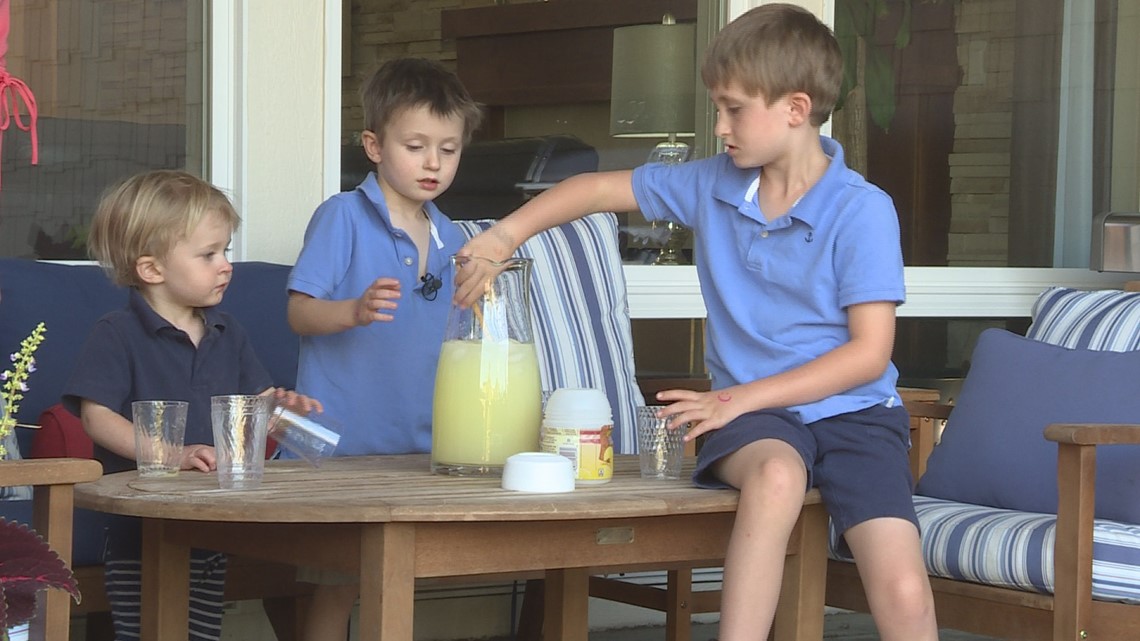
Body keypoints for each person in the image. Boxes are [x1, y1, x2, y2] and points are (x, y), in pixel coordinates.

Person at [454, 5, 939, 640]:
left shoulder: (862, 210)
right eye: (717, 106)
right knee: (776, 476)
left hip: (852, 415)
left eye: (734, 109)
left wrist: (734, 398)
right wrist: (503, 234)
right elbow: (596, 189)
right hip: (754, 422)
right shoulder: (712, 184)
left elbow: (868, 355)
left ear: (796, 109)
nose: (719, 126)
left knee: (900, 578)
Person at [62, 169, 321, 641]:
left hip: (212, 520)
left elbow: (256, 409)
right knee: (146, 630)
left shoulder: (228, 332)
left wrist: (284, 412)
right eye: (209, 254)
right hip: (141, 528)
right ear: (152, 269)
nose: (226, 264)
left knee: (200, 631)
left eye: (226, 251)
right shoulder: (117, 333)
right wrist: (170, 454)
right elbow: (96, 417)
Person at [285, 57, 482, 641]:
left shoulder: (456, 236)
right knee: (334, 584)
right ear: (373, 145)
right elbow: (297, 311)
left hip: (418, 446)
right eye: (416, 145)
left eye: (448, 149)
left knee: (396, 584)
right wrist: (353, 310)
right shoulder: (342, 216)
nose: (432, 163)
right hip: (338, 448)